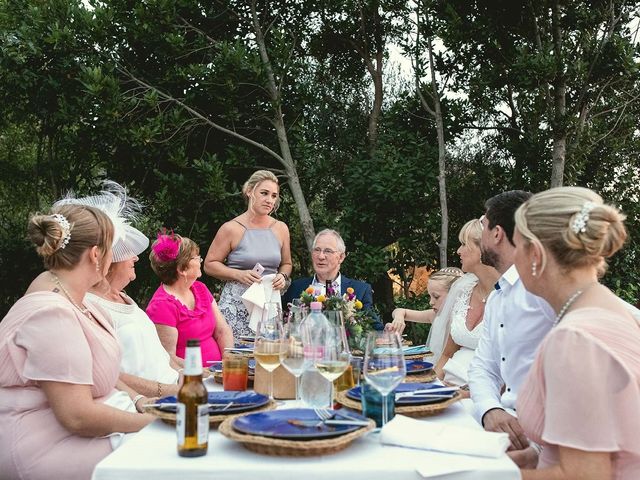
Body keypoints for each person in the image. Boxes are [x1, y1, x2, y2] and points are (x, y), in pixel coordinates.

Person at [0, 204, 154, 480]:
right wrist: (153, 424)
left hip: (83, 432)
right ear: (96, 254)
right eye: (112, 249)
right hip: (43, 447)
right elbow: (77, 416)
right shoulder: (51, 313)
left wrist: (143, 403)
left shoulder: (81, 303)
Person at [513, 187, 639, 479]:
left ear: (536, 253)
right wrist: (535, 456)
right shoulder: (607, 308)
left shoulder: (576, 339)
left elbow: (585, 476)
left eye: (517, 245)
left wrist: (484, 474)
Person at [57, 181, 181, 398]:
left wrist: (192, 376)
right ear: (108, 260)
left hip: (174, 389)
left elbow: (159, 355)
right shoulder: (89, 305)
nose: (135, 257)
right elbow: (110, 376)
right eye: (128, 252)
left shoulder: (123, 297)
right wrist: (173, 392)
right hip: (149, 402)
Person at [467, 190, 556, 468]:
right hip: (507, 428)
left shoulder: (545, 288)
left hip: (551, 440)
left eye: (483, 225)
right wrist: (490, 409)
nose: (481, 234)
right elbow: (483, 367)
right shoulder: (497, 297)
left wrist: (542, 450)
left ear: (497, 234)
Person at [204, 170, 292, 338]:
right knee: (236, 359)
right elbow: (209, 264)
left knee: (268, 355)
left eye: (274, 196)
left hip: (269, 303)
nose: (269, 200)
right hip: (237, 305)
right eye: (264, 193)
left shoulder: (281, 228)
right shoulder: (231, 228)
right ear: (249, 191)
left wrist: (282, 276)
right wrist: (238, 274)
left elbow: (287, 263)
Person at [147, 232, 234, 366]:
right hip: (190, 379)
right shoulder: (162, 305)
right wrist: (204, 373)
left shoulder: (200, 289)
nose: (201, 260)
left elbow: (222, 330)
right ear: (182, 269)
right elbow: (167, 358)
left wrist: (228, 362)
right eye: (196, 258)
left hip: (218, 373)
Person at [433, 220, 500, 386]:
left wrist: (463, 393)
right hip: (447, 387)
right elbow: (447, 354)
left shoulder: (509, 296)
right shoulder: (463, 291)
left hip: (484, 394)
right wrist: (431, 388)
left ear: (483, 248)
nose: (458, 251)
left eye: (464, 244)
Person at [282, 228, 383, 330]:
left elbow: (376, 329)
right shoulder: (296, 287)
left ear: (341, 257)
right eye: (317, 250)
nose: (321, 256)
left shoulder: (360, 290)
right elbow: (279, 321)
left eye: (328, 251)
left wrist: (397, 313)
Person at [386, 267, 463, 361]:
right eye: (430, 296)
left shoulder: (461, 322)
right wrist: (398, 318)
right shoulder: (434, 316)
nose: (431, 302)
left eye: (436, 297)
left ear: (454, 295)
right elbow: (400, 311)